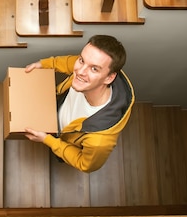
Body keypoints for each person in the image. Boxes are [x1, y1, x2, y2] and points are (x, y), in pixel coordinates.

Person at [24, 34, 135, 173]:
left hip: (63, 140)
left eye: (94, 69)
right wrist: (43, 64)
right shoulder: (86, 72)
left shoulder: (99, 141)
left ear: (109, 77)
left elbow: (85, 164)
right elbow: (71, 62)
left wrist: (48, 140)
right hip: (57, 111)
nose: (80, 71)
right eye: (82, 60)